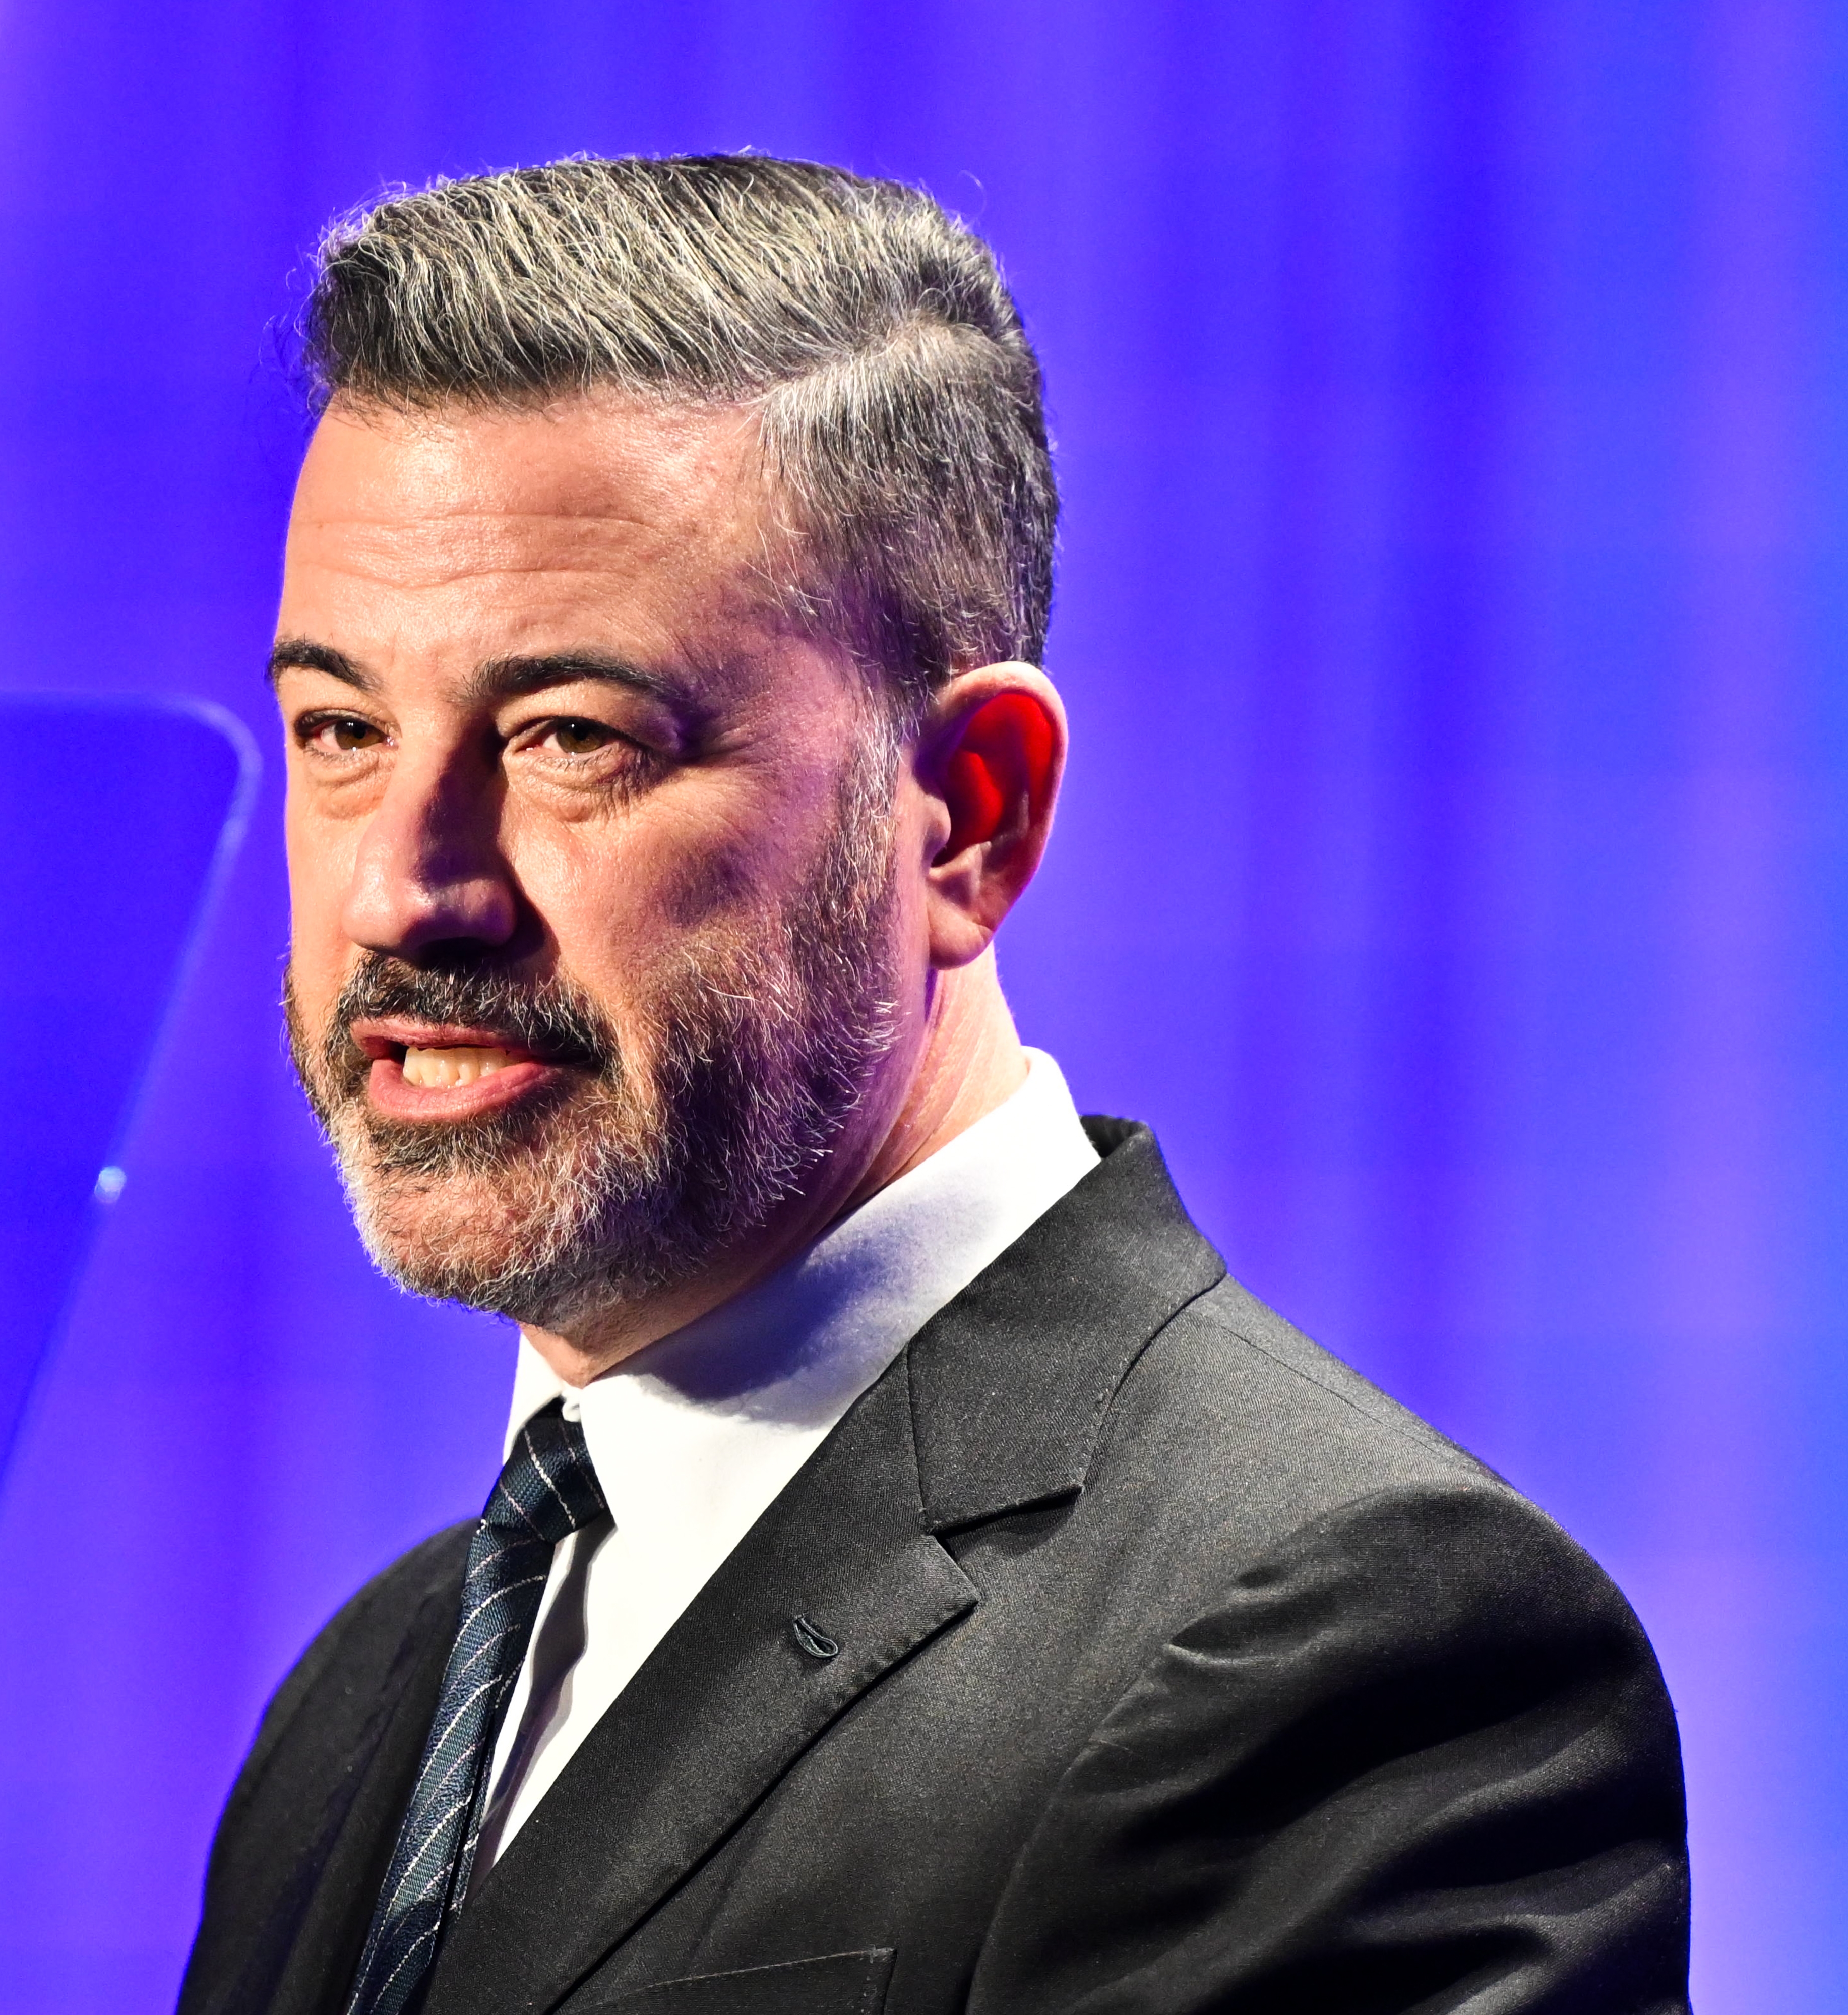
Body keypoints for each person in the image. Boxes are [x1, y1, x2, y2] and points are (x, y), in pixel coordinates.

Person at [181, 155, 1688, 2015]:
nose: (407, 891)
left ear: (970, 816)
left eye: (572, 738)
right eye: (342, 729)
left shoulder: (1344, 1649)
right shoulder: (364, 1700)